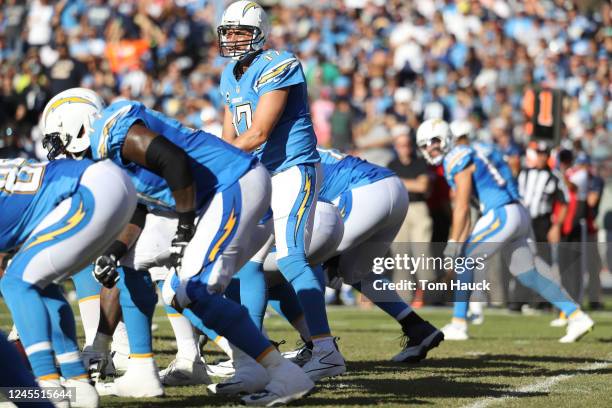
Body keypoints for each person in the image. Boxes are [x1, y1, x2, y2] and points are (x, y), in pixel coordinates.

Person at [41, 87, 314, 406]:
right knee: (161, 280)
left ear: (75, 125)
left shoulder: (112, 131)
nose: (58, 152)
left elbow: (174, 160)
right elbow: (137, 210)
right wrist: (113, 253)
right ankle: (246, 365)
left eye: (57, 140)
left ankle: (284, 373)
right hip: (220, 196)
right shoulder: (108, 159)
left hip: (234, 185)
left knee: (194, 289)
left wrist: (184, 227)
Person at [217, 0, 345, 382]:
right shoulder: (229, 73)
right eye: (228, 32)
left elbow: (257, 133)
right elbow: (229, 137)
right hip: (261, 173)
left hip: (292, 170)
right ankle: (250, 353)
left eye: (240, 31)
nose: (233, 39)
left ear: (258, 33)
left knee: (290, 256)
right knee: (249, 263)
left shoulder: (280, 63)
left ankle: (325, 350)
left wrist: (209, 161)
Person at [416, 119, 594, 343]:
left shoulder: (455, 156)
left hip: (501, 212)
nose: (430, 148)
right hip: (517, 213)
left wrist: (452, 244)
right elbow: (471, 209)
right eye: (424, 145)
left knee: (466, 261)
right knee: (527, 273)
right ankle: (577, 316)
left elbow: (461, 207)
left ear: (447, 138)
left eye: (434, 141)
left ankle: (459, 323)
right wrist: (459, 242)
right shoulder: (478, 149)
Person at [0, 156, 138, 408]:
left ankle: (49, 385)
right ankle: (78, 384)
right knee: (40, 282)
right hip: (108, 184)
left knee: (15, 283)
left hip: (87, 189)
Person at [387, 126, 434, 305]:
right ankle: (404, 296)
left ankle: (427, 295)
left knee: (422, 251)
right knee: (400, 253)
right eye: (400, 145)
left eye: (406, 145)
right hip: (401, 209)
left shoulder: (420, 162)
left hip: (418, 208)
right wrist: (410, 183)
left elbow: (423, 186)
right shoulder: (392, 164)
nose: (404, 148)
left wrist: (399, 182)